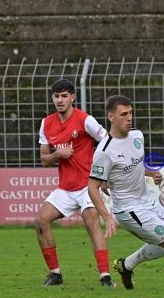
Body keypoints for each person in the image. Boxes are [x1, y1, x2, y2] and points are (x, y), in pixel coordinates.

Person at [87, 95, 164, 291]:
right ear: (111, 117)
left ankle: (126, 265)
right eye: (123, 114)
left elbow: (134, 164)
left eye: (130, 113)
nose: (129, 118)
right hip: (129, 210)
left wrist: (150, 173)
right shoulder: (104, 151)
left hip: (148, 202)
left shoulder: (137, 135)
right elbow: (92, 187)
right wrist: (107, 217)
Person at [35, 78, 115, 287]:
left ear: (72, 98)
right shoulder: (47, 123)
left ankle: (105, 276)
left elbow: (107, 142)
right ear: (53, 98)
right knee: (42, 221)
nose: (60, 100)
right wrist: (57, 154)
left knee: (91, 222)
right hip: (65, 188)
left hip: (87, 186)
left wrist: (103, 175)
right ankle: (55, 273)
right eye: (56, 96)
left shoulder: (84, 120)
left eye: (64, 96)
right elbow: (44, 159)